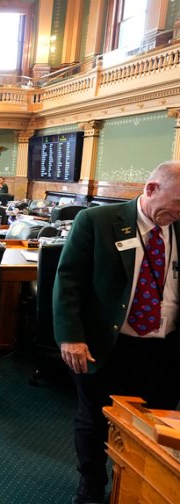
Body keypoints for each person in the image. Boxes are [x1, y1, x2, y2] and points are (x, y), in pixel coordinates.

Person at [53, 160, 180, 504]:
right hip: (105, 343)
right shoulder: (98, 221)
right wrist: (70, 336)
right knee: (93, 418)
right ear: (151, 189)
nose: (179, 212)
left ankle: (139, 484)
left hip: (164, 348)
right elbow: (69, 281)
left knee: (157, 423)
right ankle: (91, 481)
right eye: (178, 202)